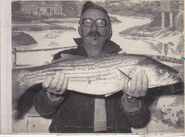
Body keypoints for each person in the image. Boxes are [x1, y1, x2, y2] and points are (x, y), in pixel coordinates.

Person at [33, 1, 150, 133]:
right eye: (87, 22)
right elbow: (42, 109)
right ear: (80, 30)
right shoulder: (61, 58)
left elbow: (140, 121)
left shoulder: (127, 64)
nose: (94, 27)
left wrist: (131, 98)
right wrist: (52, 95)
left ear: (109, 31)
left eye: (101, 22)